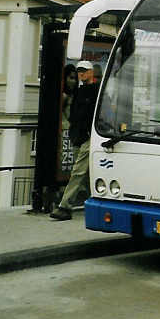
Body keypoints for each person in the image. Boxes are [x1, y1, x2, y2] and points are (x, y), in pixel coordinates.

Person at [50, 60, 100, 220]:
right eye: (79, 71)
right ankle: (98, 201)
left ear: (91, 72)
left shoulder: (95, 91)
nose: (81, 73)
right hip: (80, 137)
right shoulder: (80, 91)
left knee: (78, 172)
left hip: (87, 138)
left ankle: (64, 206)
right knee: (85, 174)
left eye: (84, 70)